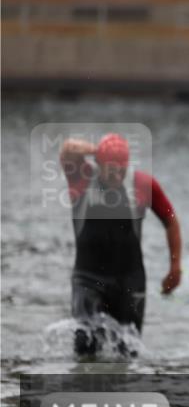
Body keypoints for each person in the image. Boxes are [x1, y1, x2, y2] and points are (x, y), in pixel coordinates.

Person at [60, 133, 182, 356]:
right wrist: (97, 150)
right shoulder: (81, 178)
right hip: (88, 279)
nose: (116, 173)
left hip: (130, 281)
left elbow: (170, 220)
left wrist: (175, 266)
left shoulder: (142, 184)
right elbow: (67, 150)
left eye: (121, 168)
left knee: (128, 353)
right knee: (86, 349)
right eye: (110, 167)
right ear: (98, 163)